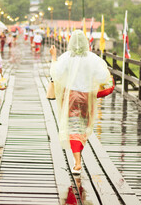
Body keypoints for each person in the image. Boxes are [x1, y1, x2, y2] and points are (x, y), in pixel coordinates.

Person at [49, 30, 110, 174]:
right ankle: (78, 158)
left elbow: (55, 74)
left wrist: (53, 57)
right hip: (87, 97)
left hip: (71, 96)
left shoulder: (66, 57)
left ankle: (77, 162)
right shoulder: (93, 58)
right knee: (82, 128)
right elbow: (102, 77)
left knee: (73, 128)